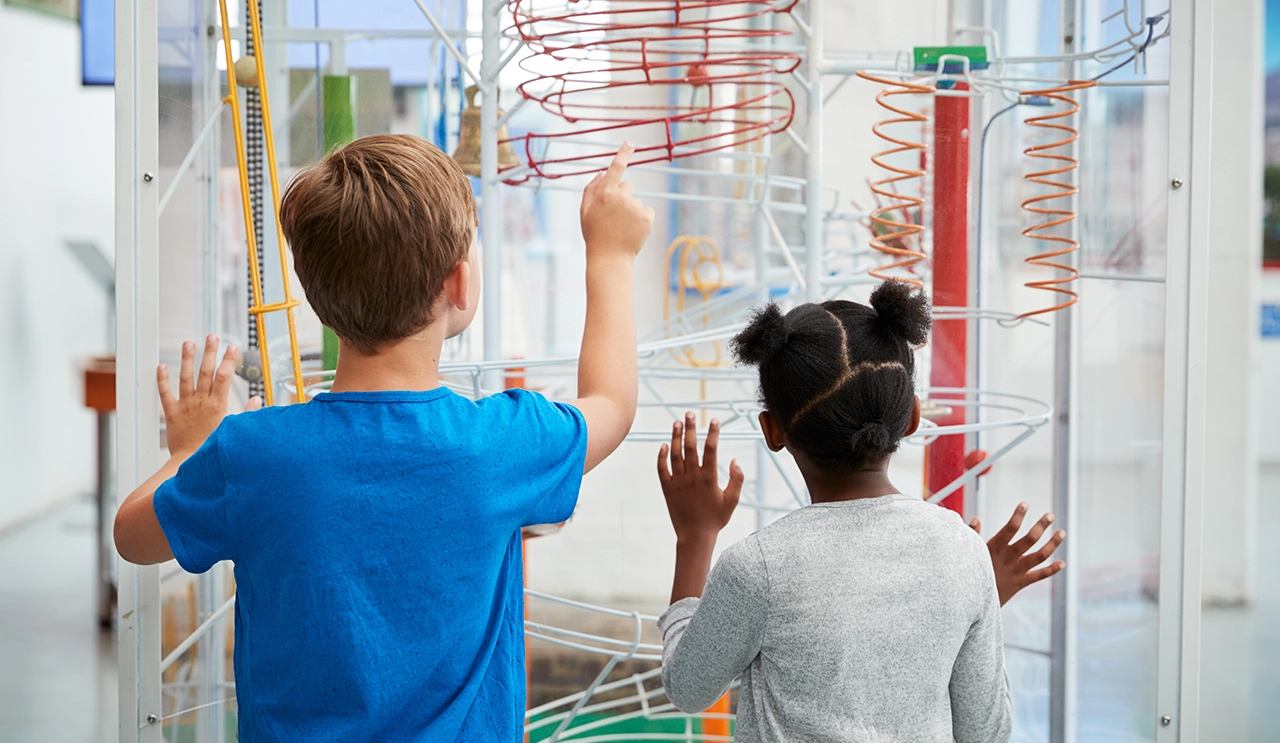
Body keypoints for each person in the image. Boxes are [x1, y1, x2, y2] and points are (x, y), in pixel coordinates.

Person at [114, 135, 654, 742]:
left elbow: (132, 536)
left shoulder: (252, 453)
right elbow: (610, 403)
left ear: (316, 293)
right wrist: (611, 255)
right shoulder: (498, 447)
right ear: (459, 285)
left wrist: (190, 448)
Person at [656, 281, 1066, 743]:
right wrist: (978, 594)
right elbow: (985, 734)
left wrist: (695, 537)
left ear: (772, 430)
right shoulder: (964, 554)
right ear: (911, 417)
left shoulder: (758, 569)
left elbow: (688, 688)